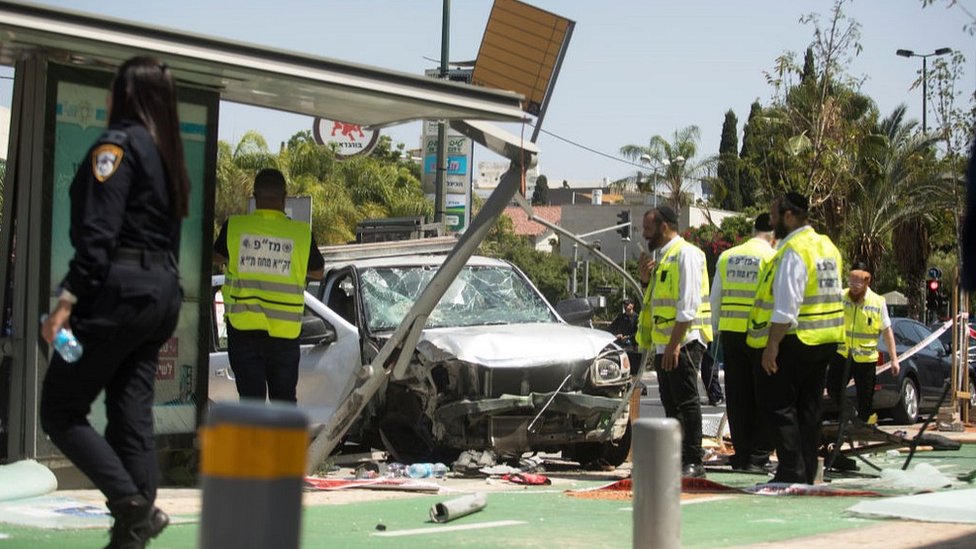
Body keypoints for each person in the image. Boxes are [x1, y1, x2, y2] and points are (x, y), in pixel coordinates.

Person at [39, 56, 188, 548]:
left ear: (125, 96)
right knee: (131, 416)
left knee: (61, 410)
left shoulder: (117, 147)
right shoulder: (166, 157)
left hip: (118, 292)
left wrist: (66, 302)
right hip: (160, 295)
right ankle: (131, 537)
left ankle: (132, 508)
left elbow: (98, 237)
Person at [746, 192, 844, 485]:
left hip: (797, 338)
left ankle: (791, 469)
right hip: (825, 340)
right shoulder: (827, 246)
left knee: (775, 403)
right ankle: (805, 470)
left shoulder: (794, 250)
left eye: (775, 215)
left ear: (789, 216)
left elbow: (787, 306)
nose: (771, 221)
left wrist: (772, 345)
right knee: (809, 408)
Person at [213, 168, 325, 403]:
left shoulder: (235, 227)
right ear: (284, 197)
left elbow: (215, 257)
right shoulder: (300, 233)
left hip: (243, 331)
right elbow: (317, 271)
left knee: (251, 404)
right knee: (283, 403)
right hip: (284, 335)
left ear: (255, 196)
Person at [635, 205, 713, 478]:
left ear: (664, 227)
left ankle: (694, 460)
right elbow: (656, 302)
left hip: (684, 342)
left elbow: (688, 306)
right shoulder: (663, 259)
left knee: (686, 401)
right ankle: (675, 458)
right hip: (664, 343)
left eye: (648, 229)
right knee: (671, 403)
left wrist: (674, 345)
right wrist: (645, 280)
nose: (645, 235)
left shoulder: (686, 254)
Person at [709, 213, 776, 472]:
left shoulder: (727, 257)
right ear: (773, 236)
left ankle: (743, 453)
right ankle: (758, 457)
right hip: (762, 336)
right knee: (765, 396)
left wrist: (715, 331)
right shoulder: (771, 257)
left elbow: (716, 299)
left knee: (737, 398)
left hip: (731, 335)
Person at [826, 261, 900, 423]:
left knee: (865, 398)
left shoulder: (878, 302)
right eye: (851, 281)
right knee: (832, 387)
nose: (854, 286)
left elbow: (887, 331)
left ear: (867, 281)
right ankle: (848, 411)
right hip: (842, 354)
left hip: (865, 358)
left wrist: (894, 359)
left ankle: (863, 425)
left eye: (858, 282)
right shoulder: (840, 297)